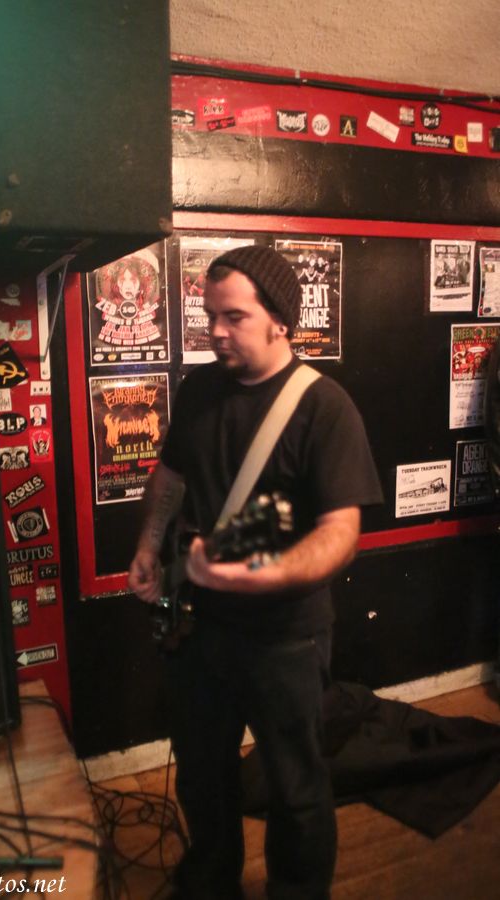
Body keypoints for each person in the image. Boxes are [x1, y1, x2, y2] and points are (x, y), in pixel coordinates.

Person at [128, 245, 382, 900]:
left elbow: (341, 533)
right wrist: (149, 548)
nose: (215, 331)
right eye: (210, 315)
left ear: (280, 320)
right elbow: (171, 476)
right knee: (201, 774)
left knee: (296, 787)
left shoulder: (324, 407)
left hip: (285, 637)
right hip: (199, 627)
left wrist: (260, 578)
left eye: (233, 317)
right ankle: (211, 883)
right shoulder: (198, 390)